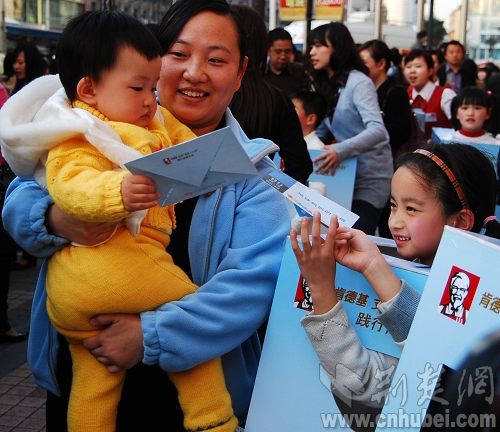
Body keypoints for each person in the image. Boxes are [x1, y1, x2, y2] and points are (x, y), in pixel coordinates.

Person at [2, 0, 290, 430]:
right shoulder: (99, 128)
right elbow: (21, 193)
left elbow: (254, 284)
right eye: (178, 54)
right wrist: (55, 220)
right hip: (81, 361)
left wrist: (149, 335)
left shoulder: (252, 168)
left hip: (182, 394)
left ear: (241, 72)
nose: (194, 72)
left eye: (216, 59)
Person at [290, 142, 500, 410]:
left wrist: (320, 286)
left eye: (411, 209)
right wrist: (373, 265)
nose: (394, 221)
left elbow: (361, 382)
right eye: (392, 205)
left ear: (459, 221)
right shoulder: (408, 261)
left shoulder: (481, 309)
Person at [307, 22, 393, 235]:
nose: (312, 51)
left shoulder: (359, 82)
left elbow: (378, 130)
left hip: (370, 179)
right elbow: (320, 130)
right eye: (311, 46)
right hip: (344, 176)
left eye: (319, 46)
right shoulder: (329, 83)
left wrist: (340, 150)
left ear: (337, 48)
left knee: (352, 239)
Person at [229, 4, 312, 185]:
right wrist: (266, 193)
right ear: (263, 47)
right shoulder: (277, 100)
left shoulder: (207, 93)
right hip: (256, 203)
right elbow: (300, 166)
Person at [358, 39, 419, 239]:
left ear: (381, 64)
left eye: (364, 63)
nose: (360, 68)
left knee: (389, 224)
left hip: (391, 164)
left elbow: (402, 129)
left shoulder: (395, 91)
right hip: (376, 166)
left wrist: (372, 137)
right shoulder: (368, 90)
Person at [404, 49, 456, 140]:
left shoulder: (445, 95)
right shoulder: (404, 95)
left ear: (430, 71)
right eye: (408, 67)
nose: (412, 71)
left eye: (418, 66)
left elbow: (458, 125)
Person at [264, 27, 309, 96]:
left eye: (287, 51)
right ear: (268, 51)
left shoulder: (300, 71)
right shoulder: (260, 73)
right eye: (278, 52)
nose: (283, 56)